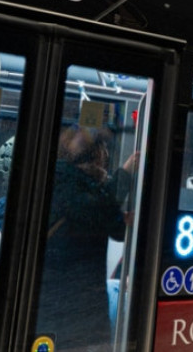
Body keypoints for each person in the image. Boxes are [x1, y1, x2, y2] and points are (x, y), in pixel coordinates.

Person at [36, 125, 137, 352]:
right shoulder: (75, 186)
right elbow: (109, 222)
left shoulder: (51, 178)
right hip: (75, 295)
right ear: (97, 156)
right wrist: (126, 174)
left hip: (51, 290)